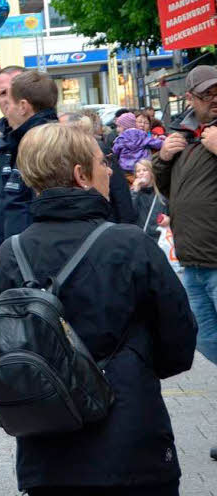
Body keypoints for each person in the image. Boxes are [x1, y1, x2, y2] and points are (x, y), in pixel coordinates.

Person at [0, 123, 196, 495]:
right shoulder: (129, 243)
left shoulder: (9, 254)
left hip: (46, 444)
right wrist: (137, 363)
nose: (111, 170)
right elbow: (179, 340)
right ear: (81, 175)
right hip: (131, 440)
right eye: (103, 162)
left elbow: (0, 348)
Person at [153, 65, 217, 376]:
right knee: (204, 340)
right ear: (190, 98)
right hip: (191, 261)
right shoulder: (183, 136)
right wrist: (163, 158)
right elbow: (167, 190)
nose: (215, 98)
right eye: (207, 94)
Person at [0, 70, 58, 270]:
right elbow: (2, 209)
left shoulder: (46, 143)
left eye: (12, 93)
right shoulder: (8, 143)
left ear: (24, 103)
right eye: (1, 94)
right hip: (11, 261)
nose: (7, 101)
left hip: (31, 267)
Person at [60, 113, 137, 224]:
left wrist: (126, 223)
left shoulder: (100, 150)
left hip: (106, 217)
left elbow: (119, 188)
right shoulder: (66, 154)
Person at [112, 111, 163, 179]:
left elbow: (115, 152)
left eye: (146, 123)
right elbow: (157, 143)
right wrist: (163, 143)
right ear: (134, 123)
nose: (142, 125)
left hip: (125, 167)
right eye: (139, 122)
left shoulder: (120, 138)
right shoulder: (143, 136)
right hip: (142, 168)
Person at [131, 158, 168, 239]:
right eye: (138, 171)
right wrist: (135, 192)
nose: (141, 173)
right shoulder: (132, 194)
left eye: (145, 170)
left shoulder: (161, 198)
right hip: (136, 240)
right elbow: (129, 215)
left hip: (154, 241)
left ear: (151, 173)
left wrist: (168, 220)